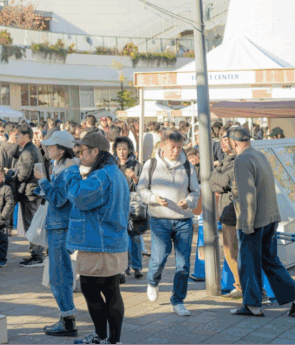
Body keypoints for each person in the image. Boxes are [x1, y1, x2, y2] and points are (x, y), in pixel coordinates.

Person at [228, 126, 295, 318]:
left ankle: (252, 305)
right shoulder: (259, 155)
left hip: (254, 220)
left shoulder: (242, 160)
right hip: (270, 217)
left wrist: (247, 224)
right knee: (270, 261)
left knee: (248, 263)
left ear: (234, 143)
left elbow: (248, 194)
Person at [63, 130, 130, 345]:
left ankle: (103, 337)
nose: (80, 155)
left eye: (82, 150)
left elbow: (79, 197)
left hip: (99, 243)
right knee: (111, 291)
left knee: (92, 290)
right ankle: (112, 339)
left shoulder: (101, 176)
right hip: (111, 240)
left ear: (95, 152)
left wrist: (72, 172)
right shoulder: (114, 172)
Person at [136, 129, 200, 316]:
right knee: (159, 258)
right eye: (172, 147)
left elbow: (195, 192)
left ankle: (178, 301)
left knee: (183, 264)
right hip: (159, 219)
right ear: (163, 146)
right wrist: (154, 198)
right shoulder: (151, 164)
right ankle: (152, 281)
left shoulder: (187, 166)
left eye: (179, 147)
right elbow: (141, 189)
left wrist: (189, 202)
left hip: (183, 221)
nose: (176, 151)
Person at [36, 130, 80, 337]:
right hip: (59, 226)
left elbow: (59, 200)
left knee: (59, 275)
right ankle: (66, 318)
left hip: (60, 227)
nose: (47, 148)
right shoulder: (61, 167)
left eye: (51, 146)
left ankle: (68, 319)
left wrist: (42, 181)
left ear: (61, 150)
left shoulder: (68, 170)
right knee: (59, 273)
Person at [210, 130, 242, 298]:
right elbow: (214, 183)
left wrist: (215, 174)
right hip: (226, 211)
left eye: (226, 139)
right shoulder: (225, 161)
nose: (223, 142)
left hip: (234, 213)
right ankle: (240, 285)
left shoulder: (237, 160)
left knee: (233, 252)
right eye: (221, 139)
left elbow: (221, 182)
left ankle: (243, 286)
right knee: (229, 251)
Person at [7, 124, 44, 267]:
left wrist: (11, 175)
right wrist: (17, 143)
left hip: (30, 193)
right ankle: (36, 253)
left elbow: (23, 175)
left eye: (18, 135)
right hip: (32, 191)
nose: (15, 137)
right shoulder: (28, 148)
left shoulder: (28, 151)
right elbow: (12, 153)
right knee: (33, 224)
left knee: (32, 225)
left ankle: (37, 256)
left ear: (26, 136)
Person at [114, 137, 144, 281]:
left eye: (124, 149)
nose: (122, 152)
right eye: (119, 149)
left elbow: (144, 185)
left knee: (135, 236)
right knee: (121, 237)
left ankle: (137, 267)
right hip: (116, 204)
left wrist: (135, 178)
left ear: (129, 150)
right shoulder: (112, 165)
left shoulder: (136, 165)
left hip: (133, 204)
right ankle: (123, 268)